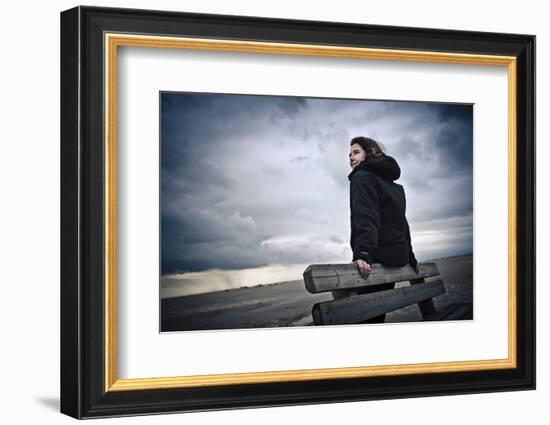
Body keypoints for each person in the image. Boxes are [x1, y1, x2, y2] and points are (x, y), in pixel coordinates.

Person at [348, 137, 419, 321]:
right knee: (376, 316)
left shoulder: (362, 177)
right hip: (395, 256)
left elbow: (366, 216)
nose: (351, 158)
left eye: (356, 152)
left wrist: (363, 252)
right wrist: (410, 256)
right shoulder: (393, 186)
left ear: (369, 152)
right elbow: (402, 224)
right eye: (349, 155)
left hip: (377, 258)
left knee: (365, 319)